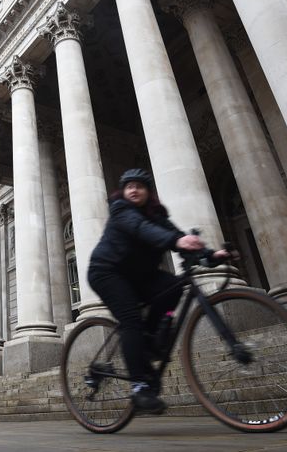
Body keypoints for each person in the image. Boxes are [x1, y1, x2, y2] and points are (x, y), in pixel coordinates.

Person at [87, 169, 229, 414]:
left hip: (138, 276)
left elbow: (176, 236)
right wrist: (176, 242)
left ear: (147, 192)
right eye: (128, 186)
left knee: (172, 286)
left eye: (139, 186)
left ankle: (149, 344)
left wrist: (210, 255)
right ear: (123, 191)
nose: (133, 190)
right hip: (108, 272)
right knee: (130, 319)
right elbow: (140, 228)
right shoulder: (121, 210)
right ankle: (139, 387)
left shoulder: (157, 216)